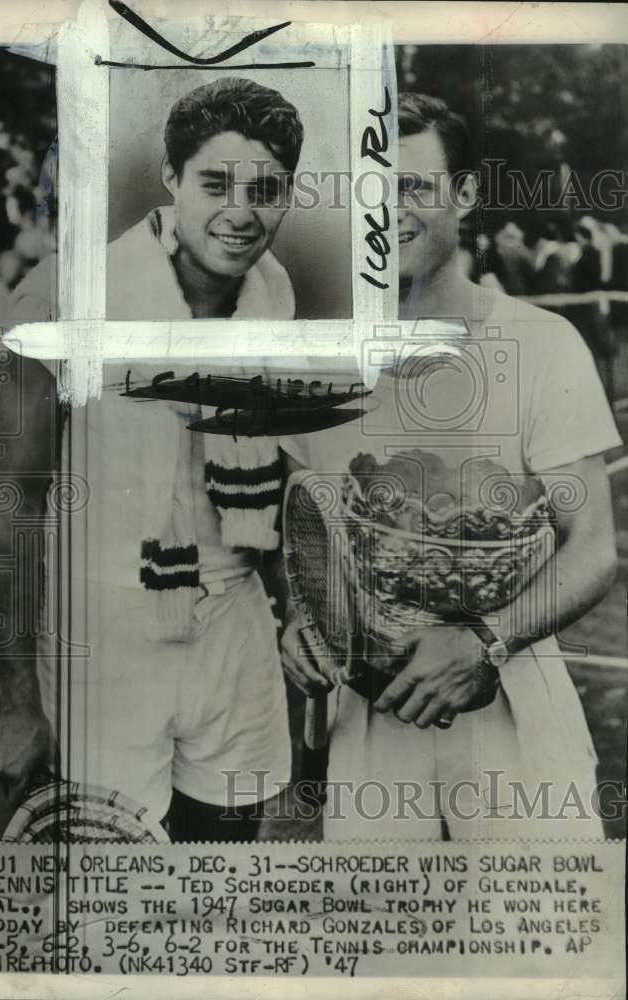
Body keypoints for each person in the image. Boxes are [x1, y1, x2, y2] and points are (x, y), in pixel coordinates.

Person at [280, 93, 620, 840]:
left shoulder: (542, 343)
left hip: (512, 705)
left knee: (542, 950)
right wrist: (305, 631)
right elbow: (313, 543)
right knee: (382, 954)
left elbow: (594, 549)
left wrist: (484, 643)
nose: (389, 213)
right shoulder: (319, 363)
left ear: (464, 194)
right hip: (370, 728)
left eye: (414, 187)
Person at [0, 77, 304, 842]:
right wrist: (19, 697)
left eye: (266, 189)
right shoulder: (62, 297)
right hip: (104, 633)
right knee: (112, 906)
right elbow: (12, 503)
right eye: (215, 183)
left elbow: (278, 469)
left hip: (231, 623)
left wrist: (299, 610)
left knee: (218, 879)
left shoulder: (273, 290)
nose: (240, 211)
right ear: (171, 177)